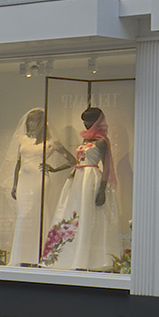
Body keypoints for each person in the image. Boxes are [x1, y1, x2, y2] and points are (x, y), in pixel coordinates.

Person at [48, 107, 119, 270]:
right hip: (77, 178)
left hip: (90, 178)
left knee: (88, 213)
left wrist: (102, 188)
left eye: (89, 121)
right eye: (84, 121)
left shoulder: (102, 141)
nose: (86, 124)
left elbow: (107, 166)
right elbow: (76, 160)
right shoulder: (85, 140)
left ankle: (88, 258)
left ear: (97, 122)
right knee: (73, 212)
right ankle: (66, 255)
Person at [3, 108, 59, 266]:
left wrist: (54, 169)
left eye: (35, 121)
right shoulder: (22, 140)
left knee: (38, 215)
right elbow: (18, 163)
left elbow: (71, 159)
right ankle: (22, 257)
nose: (32, 124)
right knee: (23, 216)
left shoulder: (50, 142)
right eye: (30, 121)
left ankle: (39, 256)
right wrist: (14, 184)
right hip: (23, 180)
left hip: (39, 180)